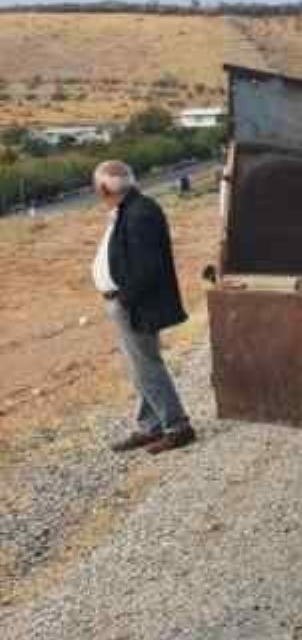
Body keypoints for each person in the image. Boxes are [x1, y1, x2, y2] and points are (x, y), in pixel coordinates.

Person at [92, 160, 195, 454]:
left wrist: (123, 299)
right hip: (128, 303)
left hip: (135, 305)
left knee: (147, 367)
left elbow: (149, 267)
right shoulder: (130, 209)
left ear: (102, 188)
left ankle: (177, 427)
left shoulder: (140, 213)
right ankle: (151, 426)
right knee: (140, 368)